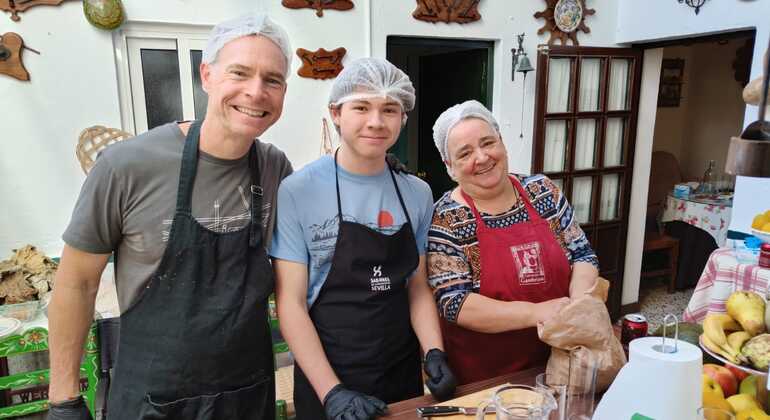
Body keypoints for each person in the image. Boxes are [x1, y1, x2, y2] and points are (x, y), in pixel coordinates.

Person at [47, 14, 293, 420]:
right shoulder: (127, 165)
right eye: (240, 73)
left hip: (247, 395)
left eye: (273, 80)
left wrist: (370, 167)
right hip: (153, 400)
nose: (256, 92)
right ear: (207, 74)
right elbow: (77, 283)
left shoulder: (274, 169)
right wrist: (64, 399)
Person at [270, 57, 456, 420]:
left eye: (390, 109)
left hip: (399, 370)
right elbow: (289, 303)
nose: (376, 121)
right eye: (361, 107)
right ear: (336, 113)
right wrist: (332, 392)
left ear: (403, 118)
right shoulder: (297, 191)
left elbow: (417, 286)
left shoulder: (416, 192)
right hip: (327, 375)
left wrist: (433, 351)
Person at [427, 100, 600, 385]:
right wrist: (537, 313)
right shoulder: (446, 218)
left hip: (562, 359)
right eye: (465, 153)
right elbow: (455, 302)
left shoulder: (542, 191)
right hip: (486, 376)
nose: (482, 157)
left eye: (487, 143)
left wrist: (577, 306)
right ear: (450, 167)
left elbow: (582, 254)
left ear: (502, 143)